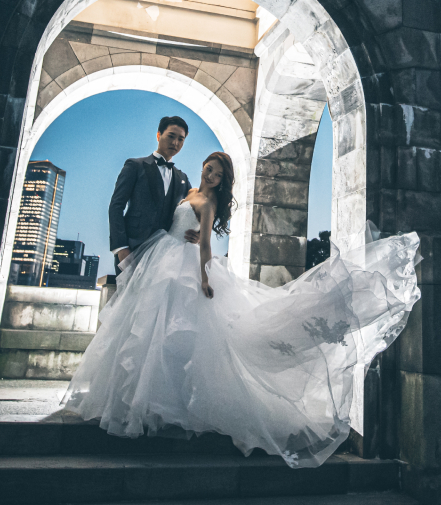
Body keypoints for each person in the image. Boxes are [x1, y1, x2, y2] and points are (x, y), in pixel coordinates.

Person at [65, 151, 420, 469]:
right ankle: (148, 405)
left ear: (223, 180)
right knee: (149, 333)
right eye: (209, 168)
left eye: (217, 173)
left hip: (185, 267)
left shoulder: (208, 203)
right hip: (163, 258)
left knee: (177, 336)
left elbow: (204, 243)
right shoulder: (187, 190)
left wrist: (204, 278)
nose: (211, 174)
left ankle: (167, 409)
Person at [108, 115, 195, 272]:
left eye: (181, 139)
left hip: (166, 257)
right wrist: (121, 248)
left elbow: (195, 207)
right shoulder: (135, 166)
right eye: (171, 136)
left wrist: (199, 234)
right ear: (158, 135)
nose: (175, 143)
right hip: (133, 251)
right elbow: (116, 206)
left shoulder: (182, 178)